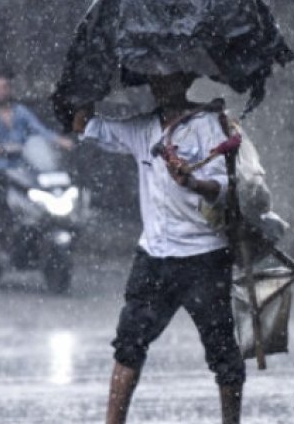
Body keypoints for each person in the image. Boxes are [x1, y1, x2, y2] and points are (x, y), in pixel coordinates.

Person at [70, 72, 245, 424]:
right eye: (156, 80)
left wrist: (192, 181)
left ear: (185, 81)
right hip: (154, 258)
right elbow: (85, 126)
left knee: (223, 353)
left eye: (169, 79)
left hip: (204, 258)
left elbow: (225, 186)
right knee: (128, 346)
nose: (161, 86)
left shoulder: (207, 125)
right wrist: (88, 83)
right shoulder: (142, 129)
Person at [0, 69, 73, 248]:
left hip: (20, 168)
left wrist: (60, 141)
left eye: (5, 87)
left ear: (11, 89)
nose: (1, 91)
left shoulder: (21, 112)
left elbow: (39, 130)